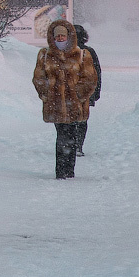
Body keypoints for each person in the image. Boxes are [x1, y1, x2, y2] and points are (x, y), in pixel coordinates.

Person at [31, 18, 98, 179]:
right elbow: (38, 78)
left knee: (71, 136)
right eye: (57, 36)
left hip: (75, 105)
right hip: (55, 105)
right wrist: (46, 93)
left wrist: (79, 95)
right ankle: (61, 171)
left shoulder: (82, 55)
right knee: (62, 136)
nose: (60, 39)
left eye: (63, 36)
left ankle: (69, 169)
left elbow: (90, 78)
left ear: (69, 36)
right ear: (52, 38)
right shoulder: (45, 55)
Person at [73, 24, 101, 156]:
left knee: (72, 120)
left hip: (73, 92)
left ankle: (72, 145)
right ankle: (77, 145)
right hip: (85, 92)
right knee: (82, 119)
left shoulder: (70, 51)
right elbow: (97, 74)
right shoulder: (89, 51)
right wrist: (96, 92)